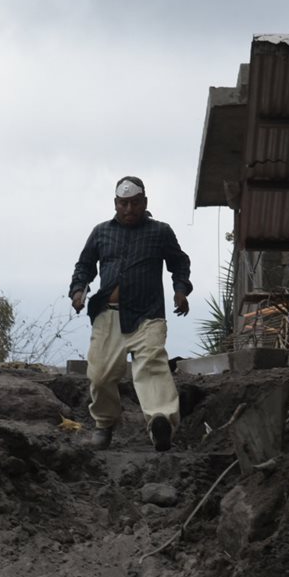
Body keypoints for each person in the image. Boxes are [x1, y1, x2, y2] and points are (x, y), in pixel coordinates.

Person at [68, 176, 191, 451]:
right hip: (107, 315)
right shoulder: (101, 232)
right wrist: (78, 290)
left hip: (148, 315)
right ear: (115, 204)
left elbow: (179, 263)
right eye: (123, 203)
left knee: (152, 366)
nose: (129, 209)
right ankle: (104, 426)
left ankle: (161, 423)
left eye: (135, 203)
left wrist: (180, 290)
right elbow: (84, 266)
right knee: (100, 375)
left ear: (144, 202)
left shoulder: (160, 232)